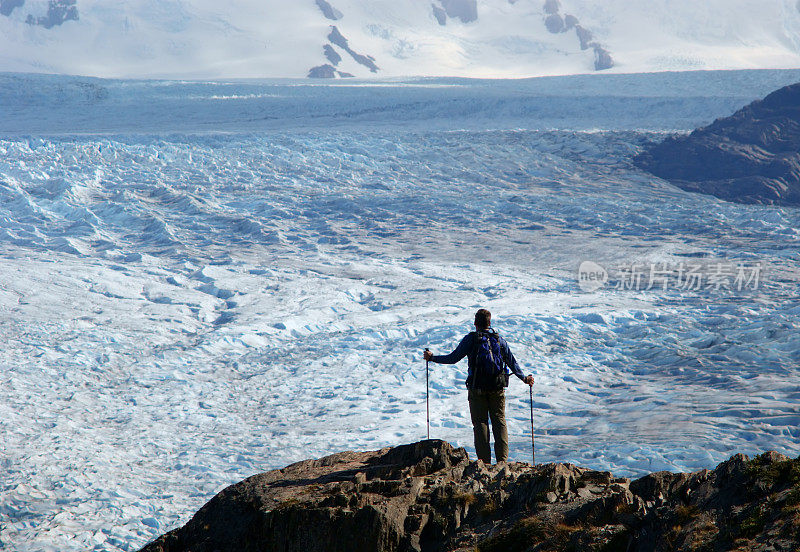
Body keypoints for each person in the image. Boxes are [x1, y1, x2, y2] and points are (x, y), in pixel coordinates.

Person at [424, 308, 533, 464]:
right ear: (489, 323)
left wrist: (432, 358)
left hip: (477, 389)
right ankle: (502, 462)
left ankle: (485, 464)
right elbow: (512, 362)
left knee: (480, 423)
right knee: (499, 421)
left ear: (475, 323)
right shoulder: (498, 339)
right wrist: (524, 378)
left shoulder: (471, 339)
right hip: (497, 387)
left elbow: (453, 358)